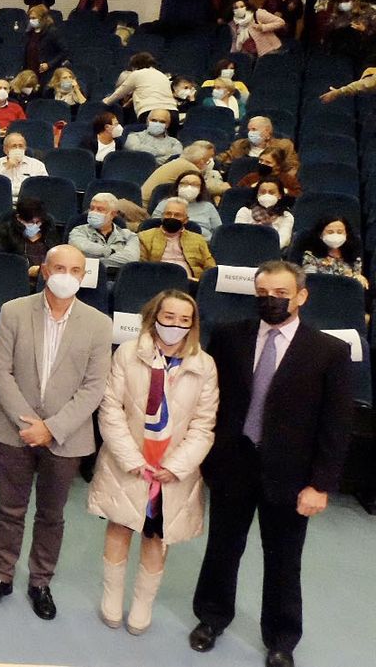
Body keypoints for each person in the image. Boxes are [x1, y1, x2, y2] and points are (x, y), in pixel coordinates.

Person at [190, 261, 354, 666]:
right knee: (223, 548)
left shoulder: (330, 351)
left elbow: (336, 424)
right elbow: (211, 402)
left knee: (283, 559)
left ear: (301, 295)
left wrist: (321, 485)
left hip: (291, 474)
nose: (271, 301)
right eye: (263, 294)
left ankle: (281, 638)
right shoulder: (229, 338)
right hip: (234, 462)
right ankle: (211, 617)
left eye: (280, 294)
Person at [0, 245, 111, 621]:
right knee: (10, 509)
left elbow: (94, 387)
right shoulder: (16, 311)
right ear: (43, 270)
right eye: (59, 267)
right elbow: (0, 372)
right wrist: (27, 425)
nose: (66, 274)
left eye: (75, 269)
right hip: (13, 430)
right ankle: (1, 575)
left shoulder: (99, 324)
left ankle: (40, 581)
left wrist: (51, 429)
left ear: (83, 276)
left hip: (66, 436)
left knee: (51, 515)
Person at [89, 289, 218, 635]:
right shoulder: (128, 354)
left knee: (155, 535)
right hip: (128, 461)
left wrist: (176, 466)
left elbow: (204, 425)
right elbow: (110, 409)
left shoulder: (204, 365)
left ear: (192, 325)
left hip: (172, 469)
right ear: (153, 317)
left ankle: (143, 603)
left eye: (183, 320)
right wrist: (131, 459)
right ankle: (112, 597)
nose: (174, 325)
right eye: (168, 317)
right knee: (119, 524)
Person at [139, 197, 216, 282]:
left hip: (190, 283)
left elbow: (210, 266)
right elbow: (142, 267)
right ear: (162, 217)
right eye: (168, 214)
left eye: (177, 215)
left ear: (186, 220)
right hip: (157, 280)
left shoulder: (198, 239)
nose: (172, 217)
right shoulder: (144, 237)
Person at [0, 197, 63, 278]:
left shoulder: (48, 229)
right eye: (30, 222)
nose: (35, 225)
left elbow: (58, 254)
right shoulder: (6, 230)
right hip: (17, 277)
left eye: (38, 222)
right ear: (19, 218)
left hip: (47, 277)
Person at [69, 192, 140, 269]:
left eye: (100, 209)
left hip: (118, 277)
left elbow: (131, 259)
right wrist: (111, 251)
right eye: (92, 208)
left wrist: (93, 262)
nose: (94, 212)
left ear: (113, 214)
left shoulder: (129, 236)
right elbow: (81, 251)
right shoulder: (78, 231)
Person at [292, 216, 365, 287]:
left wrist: (360, 279)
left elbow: (357, 277)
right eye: (330, 232)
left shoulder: (353, 255)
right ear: (320, 235)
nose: (335, 236)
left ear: (346, 234)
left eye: (340, 232)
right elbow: (311, 281)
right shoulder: (311, 257)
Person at [102, 52, 178, 121]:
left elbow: (120, 92)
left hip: (150, 111)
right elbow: (151, 93)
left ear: (135, 66)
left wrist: (106, 102)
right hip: (173, 112)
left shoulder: (136, 74)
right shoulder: (162, 75)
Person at [235, 179, 294, 249]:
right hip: (247, 250)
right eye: (262, 192)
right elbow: (239, 235)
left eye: (271, 193)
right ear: (257, 195)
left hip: (273, 252)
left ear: (280, 195)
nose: (267, 195)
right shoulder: (245, 211)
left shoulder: (286, 216)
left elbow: (283, 240)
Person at [0, 132, 47, 198]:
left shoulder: (37, 165)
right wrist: (7, 167)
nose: (17, 149)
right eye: (14, 146)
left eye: (20, 146)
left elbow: (43, 187)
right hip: (1, 200)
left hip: (27, 201)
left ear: (25, 148)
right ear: (5, 150)